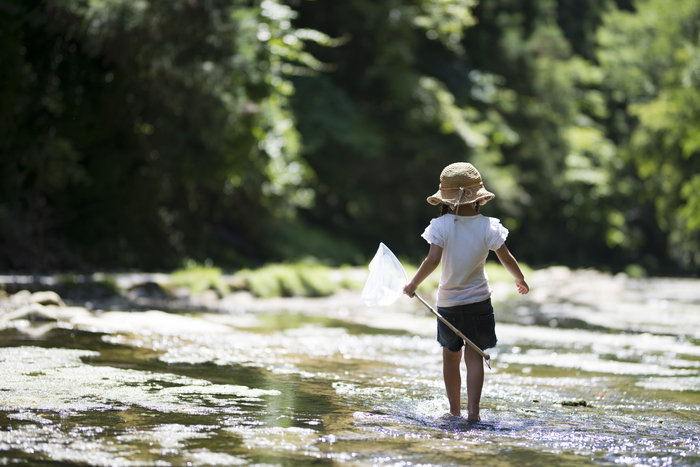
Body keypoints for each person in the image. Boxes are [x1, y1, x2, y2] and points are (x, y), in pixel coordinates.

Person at [403, 162, 529, 421]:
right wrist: (520, 278)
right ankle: (474, 413)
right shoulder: (489, 226)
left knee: (451, 357)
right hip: (479, 302)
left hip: (448, 303)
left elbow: (432, 260)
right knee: (475, 357)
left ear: (446, 199)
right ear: (478, 198)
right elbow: (506, 258)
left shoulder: (440, 226)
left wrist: (413, 284)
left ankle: (454, 411)